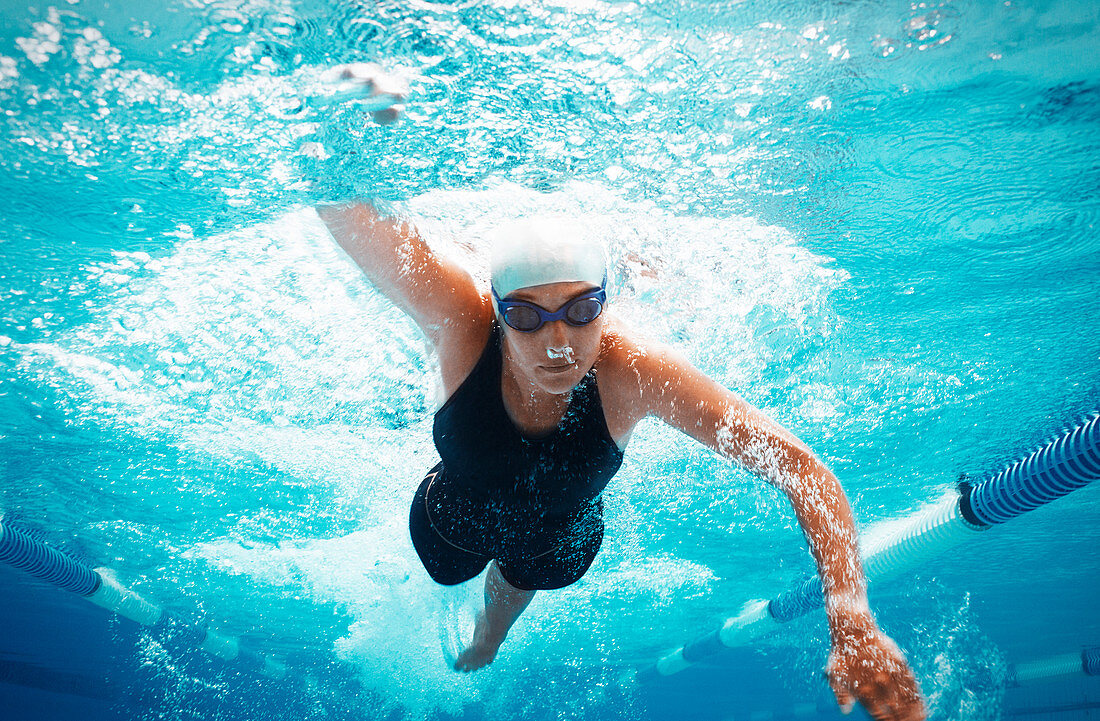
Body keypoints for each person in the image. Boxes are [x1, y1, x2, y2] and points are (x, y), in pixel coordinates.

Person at [311, 64, 926, 721]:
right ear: (497, 308)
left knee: (531, 569)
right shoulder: (462, 315)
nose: (557, 342)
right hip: (458, 504)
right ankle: (476, 620)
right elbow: (346, 214)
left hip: (562, 527)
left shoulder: (634, 369)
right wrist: (347, 123)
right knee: (446, 563)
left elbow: (802, 468)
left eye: (581, 311)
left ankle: (490, 635)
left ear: (608, 303)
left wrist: (851, 615)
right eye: (526, 316)